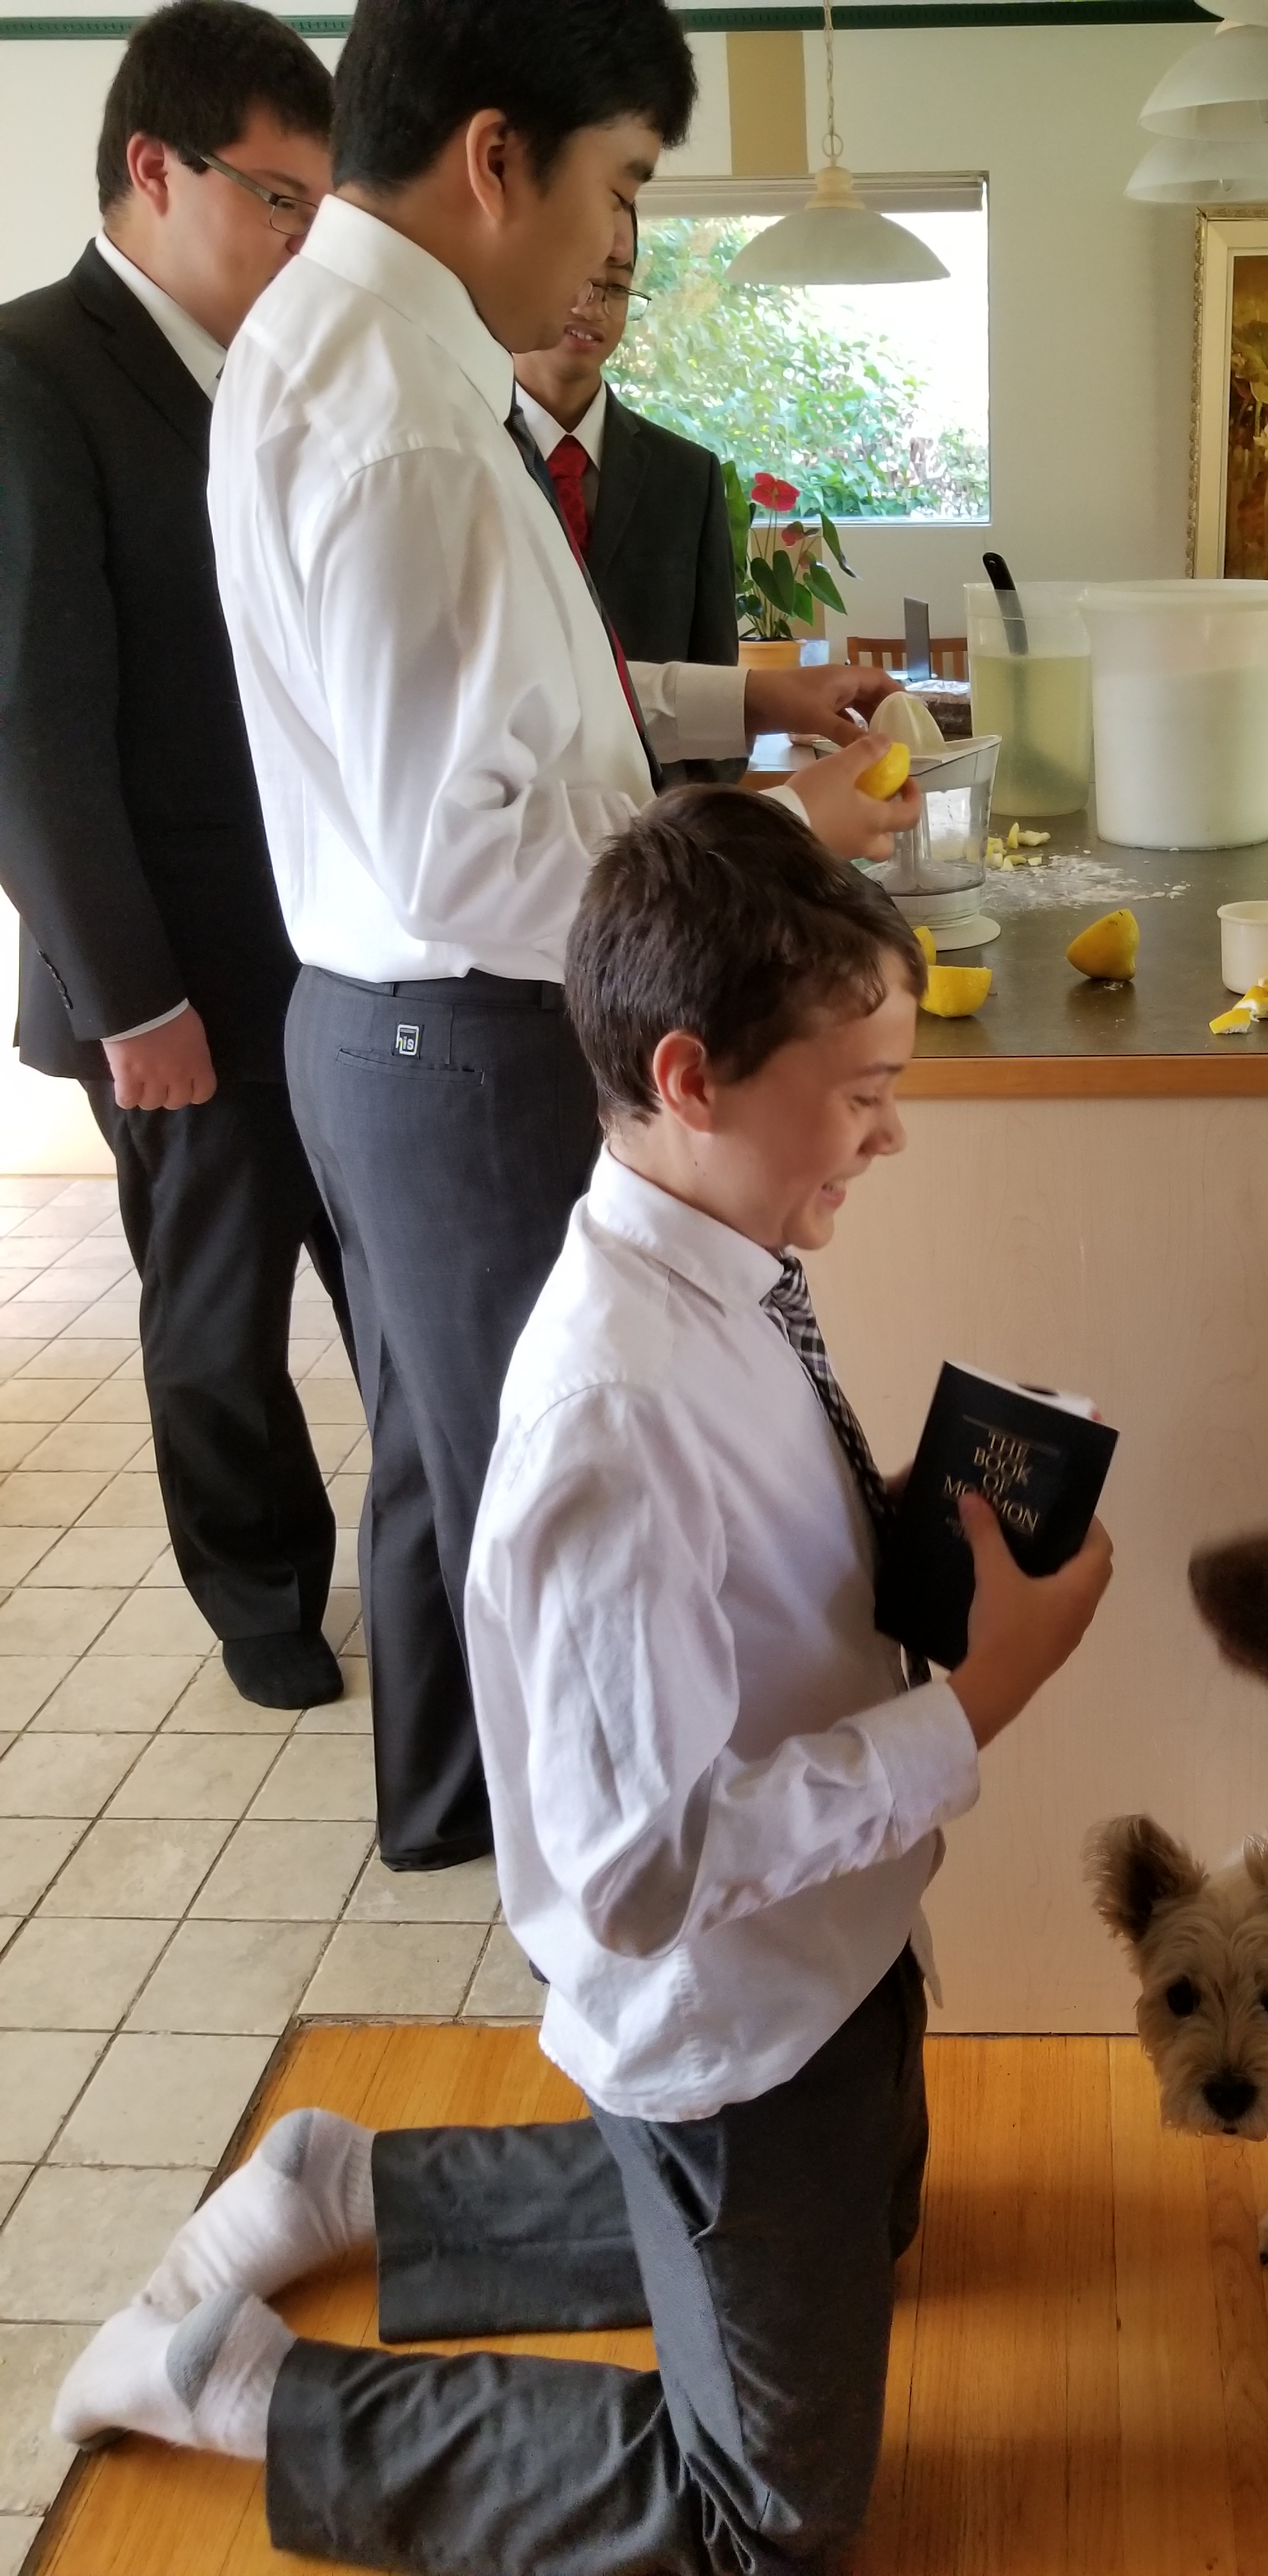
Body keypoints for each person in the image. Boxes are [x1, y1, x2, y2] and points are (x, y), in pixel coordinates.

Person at [54, 789, 1115, 2576]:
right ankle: (243, 2387)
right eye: (863, 1091)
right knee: (765, 2527)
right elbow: (634, 1876)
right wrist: (977, 1705)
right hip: (734, 2021)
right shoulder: (612, 1419)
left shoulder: (723, 1265)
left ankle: (349, 2188)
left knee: (875, 2221)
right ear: (693, 1078)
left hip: (838, 1953)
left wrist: (903, 1530)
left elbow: (749, 1561)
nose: (892, 1133)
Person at [206, 0, 918, 1867]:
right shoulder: (402, 423)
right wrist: (785, 833)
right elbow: (467, 854)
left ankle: (464, 1829)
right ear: (496, 157)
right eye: (620, 185)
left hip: (396, 1029)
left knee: (457, 1458)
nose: (616, 245)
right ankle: (589, 1887)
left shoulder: (361, 348)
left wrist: (744, 704)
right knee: (550, 1483)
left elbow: (522, 709)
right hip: (465, 1038)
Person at [0, 1, 351, 1712]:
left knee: (390, 1285)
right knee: (217, 1326)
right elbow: (30, 725)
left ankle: (450, 1568)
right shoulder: (31, 371)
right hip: (178, 982)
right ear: (154, 168)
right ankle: (262, 1596)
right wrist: (132, 1000)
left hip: (344, 953)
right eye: (278, 200)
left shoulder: (281, 380)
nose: (302, 240)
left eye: (319, 209)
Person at [512, 220, 740, 677]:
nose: (593, 306)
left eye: (616, 287)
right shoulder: (456, 452)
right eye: (577, 275)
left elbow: (716, 678)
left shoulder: (688, 476)